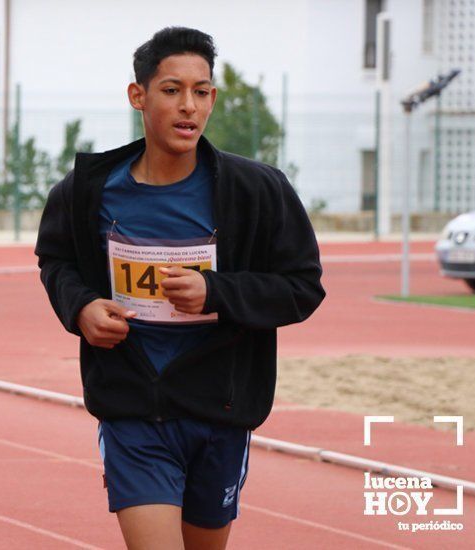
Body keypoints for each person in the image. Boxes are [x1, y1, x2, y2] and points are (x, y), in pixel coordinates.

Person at [35, 27, 325, 549]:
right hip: (133, 409)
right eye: (171, 90)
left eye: (201, 91)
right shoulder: (86, 191)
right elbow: (56, 260)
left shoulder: (257, 191)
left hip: (220, 408)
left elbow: (302, 287)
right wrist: (80, 308)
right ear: (138, 96)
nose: (188, 106)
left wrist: (216, 292)